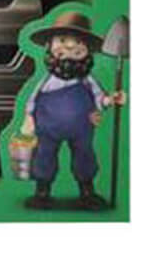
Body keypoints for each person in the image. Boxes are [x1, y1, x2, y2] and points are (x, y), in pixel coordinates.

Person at [22, 11, 126, 209]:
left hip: (81, 127)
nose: (70, 46)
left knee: (84, 155)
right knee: (45, 154)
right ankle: (42, 191)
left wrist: (111, 99)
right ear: (50, 46)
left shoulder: (87, 79)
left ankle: (87, 191)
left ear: (87, 50)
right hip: (47, 127)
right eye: (62, 40)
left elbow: (99, 97)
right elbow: (33, 99)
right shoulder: (47, 80)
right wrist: (29, 118)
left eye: (78, 42)